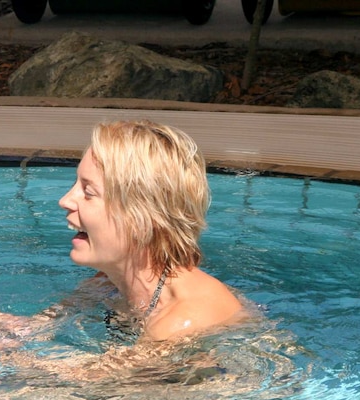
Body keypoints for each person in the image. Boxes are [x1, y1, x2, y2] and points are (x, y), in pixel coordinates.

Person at [57, 119, 245, 343]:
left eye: (88, 192)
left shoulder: (183, 319)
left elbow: (101, 376)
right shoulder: (107, 283)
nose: (65, 200)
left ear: (143, 217)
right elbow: (30, 330)